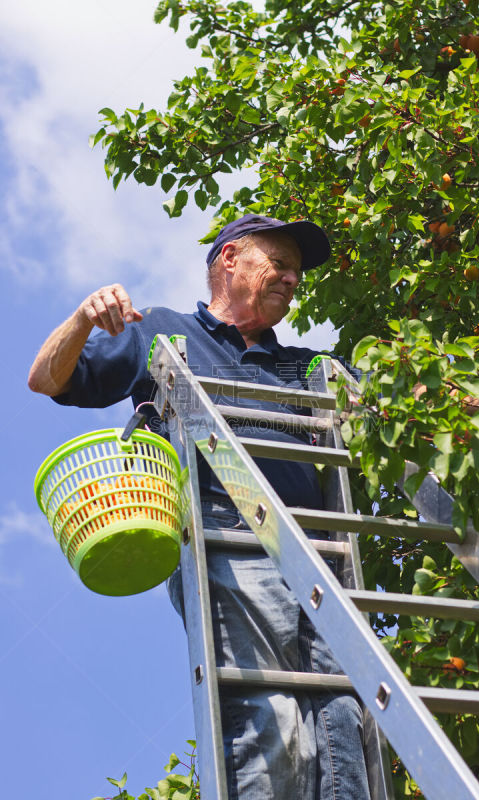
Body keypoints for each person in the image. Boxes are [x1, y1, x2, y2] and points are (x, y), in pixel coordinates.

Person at [28, 214, 371, 800]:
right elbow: (47, 378)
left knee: (342, 719)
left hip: (322, 553)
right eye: (280, 264)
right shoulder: (164, 333)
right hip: (227, 536)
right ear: (230, 258)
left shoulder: (305, 368)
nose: (292, 280)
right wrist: (86, 317)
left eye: (297, 272)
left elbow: (397, 410)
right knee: (272, 720)